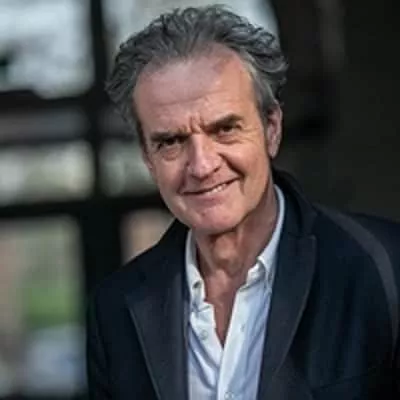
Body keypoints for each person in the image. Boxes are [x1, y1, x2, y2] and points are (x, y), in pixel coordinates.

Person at [86, 5, 400, 399]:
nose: (202, 165)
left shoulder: (384, 267)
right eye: (171, 141)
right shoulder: (116, 311)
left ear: (271, 129)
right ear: (148, 158)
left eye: (225, 129)